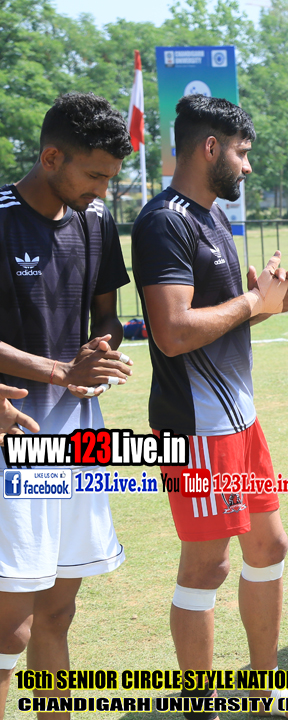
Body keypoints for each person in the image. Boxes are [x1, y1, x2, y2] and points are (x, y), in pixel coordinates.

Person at [132, 95, 288, 719]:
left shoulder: (213, 217)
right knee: (207, 566)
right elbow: (173, 332)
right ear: (209, 147)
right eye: (241, 153)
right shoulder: (164, 222)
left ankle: (265, 690)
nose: (247, 166)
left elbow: (223, 317)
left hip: (239, 417)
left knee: (269, 547)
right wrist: (253, 303)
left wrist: (269, 302)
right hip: (196, 426)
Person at [0, 93, 134, 720]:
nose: (103, 190)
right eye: (95, 175)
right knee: (11, 629)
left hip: (79, 437)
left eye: (110, 178)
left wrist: (100, 352)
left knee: (58, 612)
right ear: (51, 157)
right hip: (14, 435)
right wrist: (59, 370)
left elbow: (106, 315)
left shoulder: (95, 220)